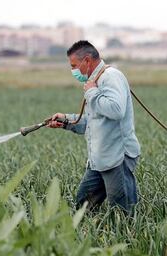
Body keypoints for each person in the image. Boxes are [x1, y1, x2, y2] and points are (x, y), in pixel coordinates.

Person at [47, 41, 141, 214]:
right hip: (100, 159)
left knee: (122, 211)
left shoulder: (110, 76)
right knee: (83, 204)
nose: (73, 71)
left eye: (74, 66)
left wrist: (91, 92)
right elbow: (95, 122)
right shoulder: (95, 81)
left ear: (87, 60)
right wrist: (66, 121)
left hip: (117, 156)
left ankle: (129, 239)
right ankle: (91, 238)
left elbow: (116, 110)